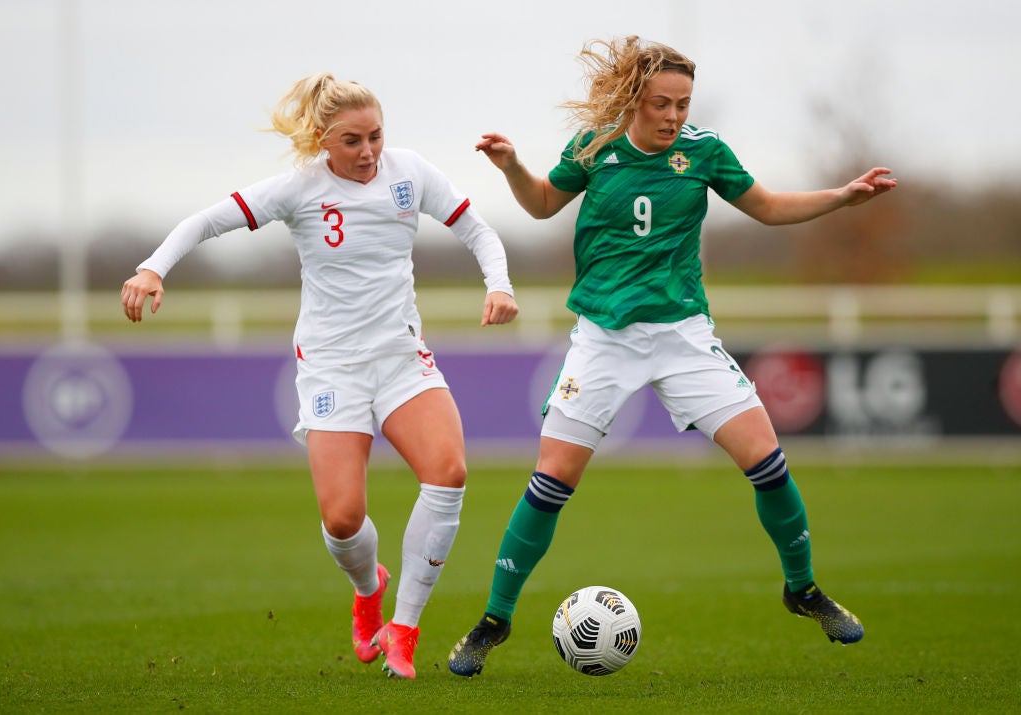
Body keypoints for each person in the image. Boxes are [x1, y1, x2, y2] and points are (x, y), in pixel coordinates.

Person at [447, 36, 897, 677]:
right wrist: (512, 166)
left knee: (767, 462)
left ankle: (802, 591)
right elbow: (544, 203)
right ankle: (494, 621)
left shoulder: (705, 153)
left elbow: (765, 207)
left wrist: (841, 196)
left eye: (684, 103)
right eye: (662, 103)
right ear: (635, 99)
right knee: (551, 483)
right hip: (603, 338)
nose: (675, 116)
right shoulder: (594, 146)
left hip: (684, 336)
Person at [120, 72, 519, 680]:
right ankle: (368, 589)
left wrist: (500, 284)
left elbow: (476, 229)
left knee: (449, 472)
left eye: (376, 136)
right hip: (332, 366)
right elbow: (205, 221)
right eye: (352, 140)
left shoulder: (409, 174)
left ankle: (404, 632)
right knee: (342, 520)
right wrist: (152, 268)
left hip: (401, 358)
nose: (368, 152)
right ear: (320, 141)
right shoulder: (298, 188)